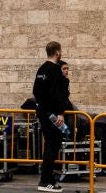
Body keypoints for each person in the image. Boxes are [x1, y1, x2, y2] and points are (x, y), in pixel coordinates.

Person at [32, 40, 72, 193]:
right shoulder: (55, 70)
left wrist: (44, 108)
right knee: (52, 147)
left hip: (43, 113)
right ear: (57, 53)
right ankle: (46, 181)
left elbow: (36, 91)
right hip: (53, 116)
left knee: (49, 146)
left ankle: (47, 179)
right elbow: (58, 95)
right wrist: (60, 113)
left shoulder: (41, 69)